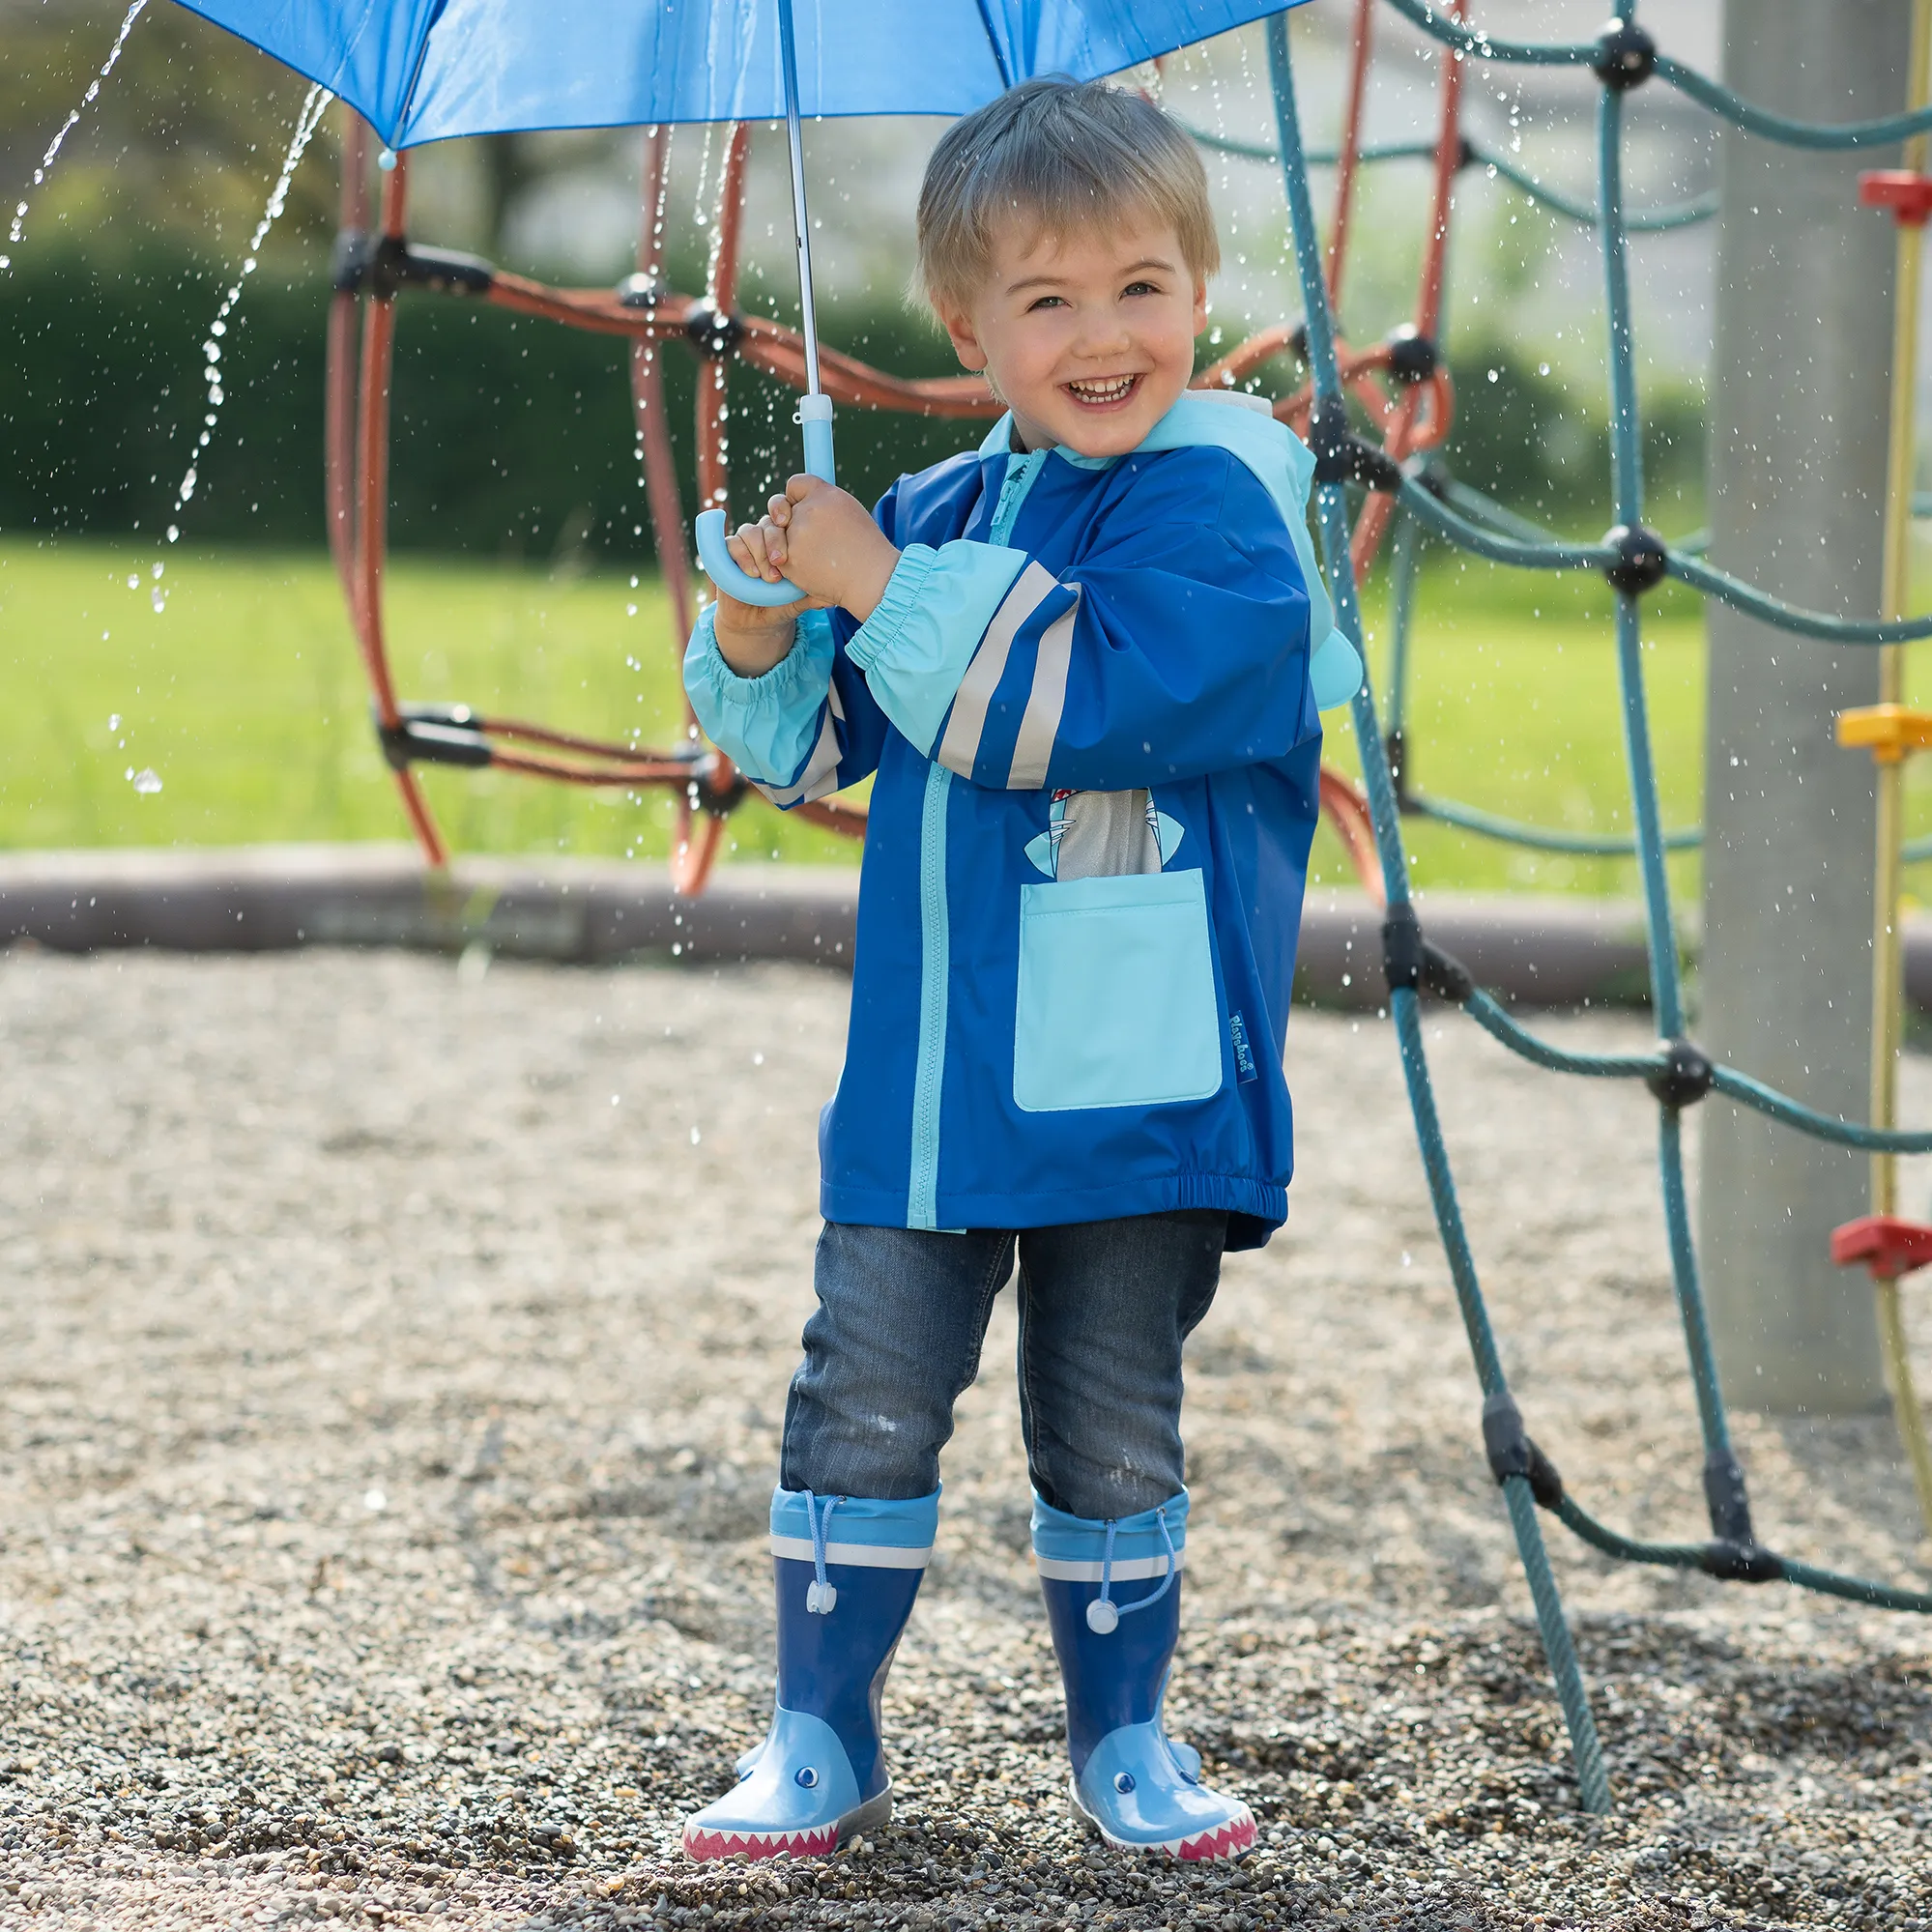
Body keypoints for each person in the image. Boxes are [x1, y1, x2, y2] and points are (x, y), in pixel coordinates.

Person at [677, 75, 1357, 1865]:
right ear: (968, 331)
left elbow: (1063, 704)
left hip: (1132, 1087)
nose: (1103, 333)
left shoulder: (1225, 503)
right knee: (861, 1394)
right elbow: (817, 744)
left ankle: (1124, 1735)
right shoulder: (937, 498)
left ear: (1198, 290)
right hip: (926, 1078)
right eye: (1045, 301)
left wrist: (880, 578)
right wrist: (762, 621)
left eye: (1139, 284)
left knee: (1111, 1419)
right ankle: (816, 1733)